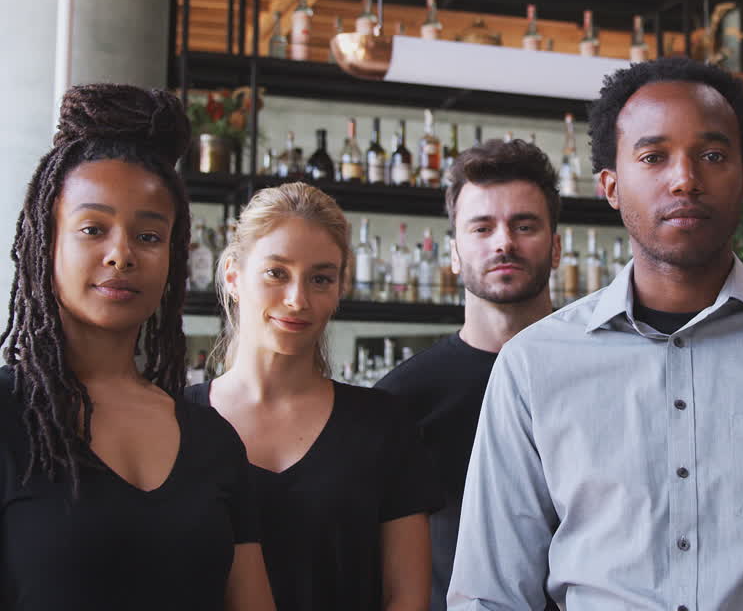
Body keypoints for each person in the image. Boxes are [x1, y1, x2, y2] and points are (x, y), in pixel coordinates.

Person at [448, 57, 743, 610]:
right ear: (611, 185)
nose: (685, 179)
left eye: (712, 155)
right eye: (653, 157)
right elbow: (489, 594)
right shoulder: (533, 365)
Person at [0, 84, 274, 610]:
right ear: (46, 242)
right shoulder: (7, 415)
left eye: (149, 236)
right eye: (92, 229)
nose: (120, 254)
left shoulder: (214, 440)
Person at [186, 182, 439, 611]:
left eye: (319, 278)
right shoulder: (177, 423)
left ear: (339, 288)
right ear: (233, 275)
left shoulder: (383, 424)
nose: (296, 299)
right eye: (276, 273)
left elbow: (407, 598)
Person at [377, 139, 561, 611]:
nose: (504, 242)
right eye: (482, 227)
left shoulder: (606, 379)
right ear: (454, 253)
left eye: (524, 225)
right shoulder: (399, 401)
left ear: (556, 247)